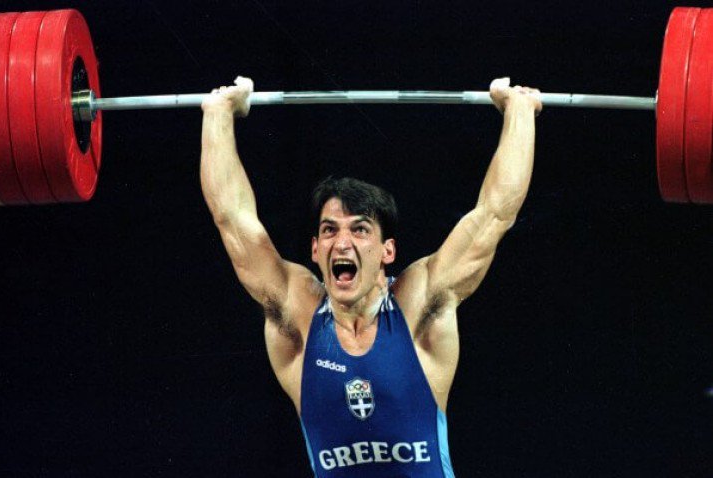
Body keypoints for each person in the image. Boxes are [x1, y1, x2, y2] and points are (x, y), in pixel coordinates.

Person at [200, 76, 542, 477]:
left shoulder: (418, 305)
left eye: (360, 229)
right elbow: (232, 219)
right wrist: (218, 115)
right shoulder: (300, 314)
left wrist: (519, 114)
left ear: (387, 251)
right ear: (315, 250)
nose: (342, 242)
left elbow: (495, 214)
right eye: (329, 230)